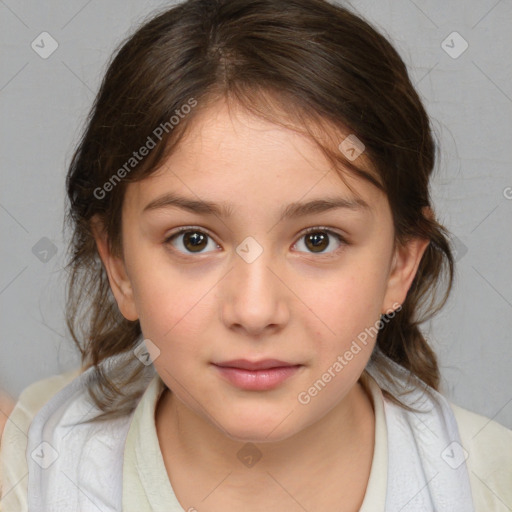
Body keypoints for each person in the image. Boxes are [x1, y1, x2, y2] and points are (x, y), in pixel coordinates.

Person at [1, 0, 511, 510]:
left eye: (318, 240)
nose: (255, 310)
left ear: (400, 265)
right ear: (118, 265)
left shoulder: (491, 484)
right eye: (193, 240)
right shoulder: (28, 472)